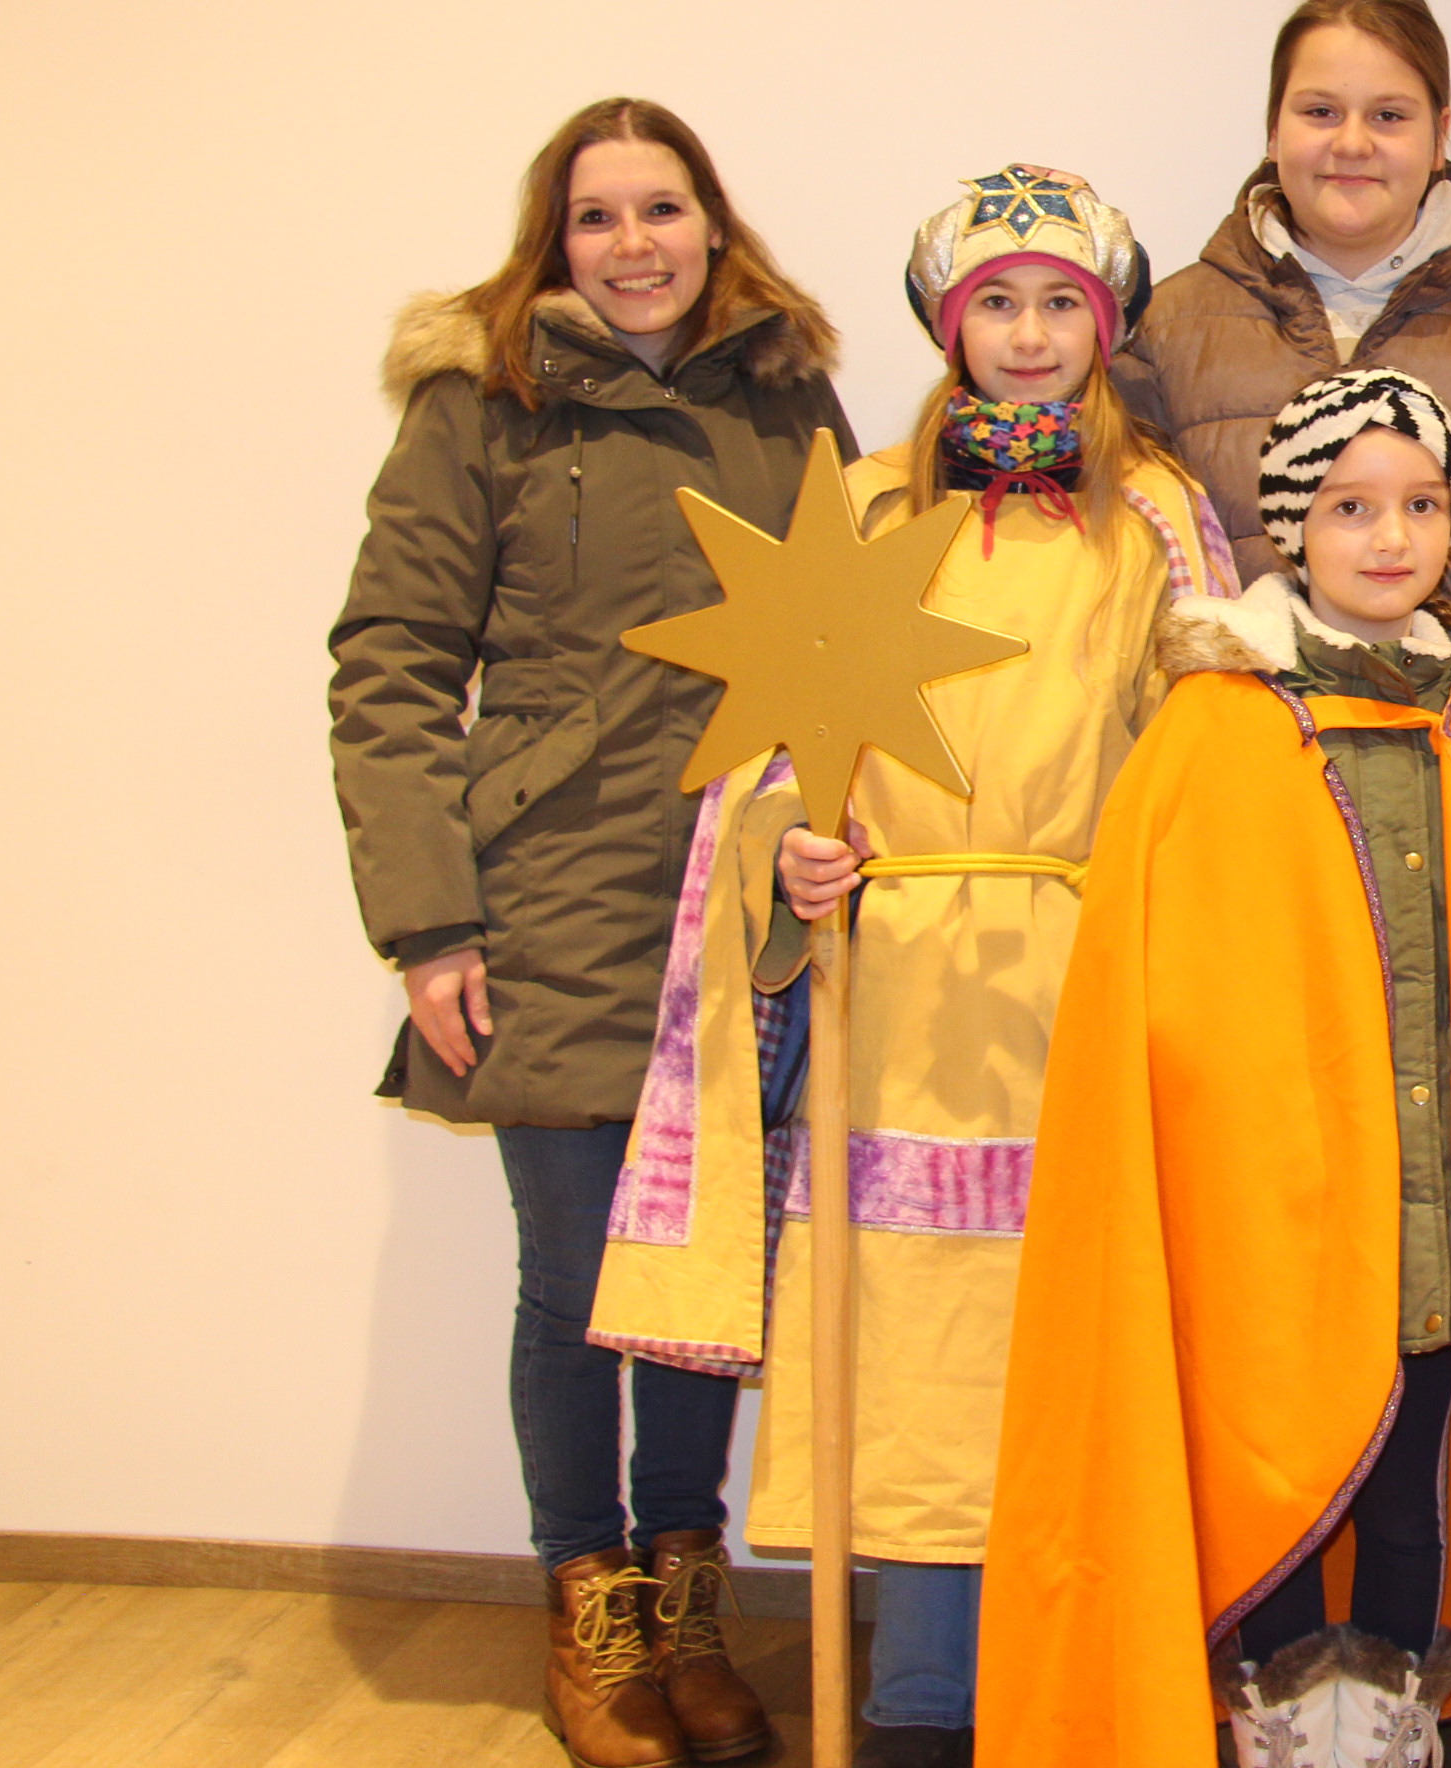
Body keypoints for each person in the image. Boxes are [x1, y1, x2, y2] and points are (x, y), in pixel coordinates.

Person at [585, 168, 1228, 1768]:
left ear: (1107, 325)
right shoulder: (865, 512)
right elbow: (770, 756)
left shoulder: (1155, 521)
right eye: (997, 303)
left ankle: (1062, 1697)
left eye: (1062, 302)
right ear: (950, 327)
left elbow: (1203, 755)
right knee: (912, 1360)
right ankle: (924, 1707)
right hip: (896, 991)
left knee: (1060, 1346)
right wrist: (795, 854)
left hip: (1074, 980)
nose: (1030, 333)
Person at [329, 98, 851, 1768]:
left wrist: (835, 838)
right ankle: (589, 1602)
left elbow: (850, 639)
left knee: (701, 1266)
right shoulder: (480, 403)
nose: (634, 243)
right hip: (546, 898)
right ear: (552, 240)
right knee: (572, 1282)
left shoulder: (787, 393)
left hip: (737, 900)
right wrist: (429, 919)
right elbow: (391, 662)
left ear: (714, 222)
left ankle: (688, 1598)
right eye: (597, 214)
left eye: (662, 207)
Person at [971, 370, 1451, 1768]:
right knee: (1269, 1464)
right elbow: (1167, 983)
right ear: (1291, 529)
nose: (1391, 537)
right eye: (1351, 508)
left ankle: (1389, 1723)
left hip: (1441, 1214)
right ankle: (1282, 1726)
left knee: (1410, 1484)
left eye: (1421, 505)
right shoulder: (1217, 725)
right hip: (1267, 1212)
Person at [1112, 0, 1451, 626]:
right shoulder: (1167, 329)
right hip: (1230, 697)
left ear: (1439, 136)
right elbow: (1124, 589)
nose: (1351, 143)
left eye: (1388, 116)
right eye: (1320, 112)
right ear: (1273, 130)